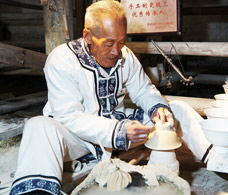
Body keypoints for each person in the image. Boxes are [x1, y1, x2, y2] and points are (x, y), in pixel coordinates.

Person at [10, 0, 211, 194]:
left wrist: (158, 109)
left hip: (121, 129)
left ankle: (220, 160)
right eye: (108, 43)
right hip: (76, 139)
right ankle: (37, 192)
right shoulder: (62, 59)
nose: (116, 51)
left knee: (176, 109)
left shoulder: (125, 55)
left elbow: (143, 90)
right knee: (38, 126)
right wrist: (119, 131)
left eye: (121, 42)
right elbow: (69, 116)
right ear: (87, 35)